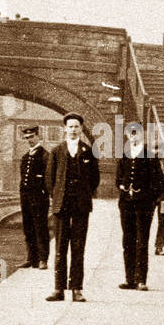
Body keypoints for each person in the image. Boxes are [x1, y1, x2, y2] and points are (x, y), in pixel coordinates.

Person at [45, 112, 100, 302]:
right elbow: (49, 179)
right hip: (61, 206)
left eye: (77, 126)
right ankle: (58, 288)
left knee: (78, 247)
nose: (74, 130)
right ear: (65, 129)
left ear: (81, 129)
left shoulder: (88, 151)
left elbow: (95, 179)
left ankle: (77, 288)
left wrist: (83, 194)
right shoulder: (56, 151)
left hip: (81, 206)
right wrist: (58, 195)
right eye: (70, 126)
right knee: (60, 248)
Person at [116, 126, 164, 290]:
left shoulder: (150, 156)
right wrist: (123, 188)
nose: (133, 136)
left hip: (143, 205)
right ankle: (129, 279)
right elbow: (118, 179)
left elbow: (159, 183)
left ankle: (141, 280)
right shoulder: (124, 155)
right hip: (126, 203)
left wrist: (149, 200)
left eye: (136, 132)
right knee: (127, 240)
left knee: (141, 241)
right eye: (130, 133)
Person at [17, 126, 49, 269]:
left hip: (39, 196)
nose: (29, 140)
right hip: (26, 197)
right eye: (27, 138)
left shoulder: (45, 155)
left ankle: (43, 259)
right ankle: (31, 258)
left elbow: (48, 178)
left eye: (31, 137)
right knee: (28, 226)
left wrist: (44, 192)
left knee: (40, 227)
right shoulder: (25, 157)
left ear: (38, 136)